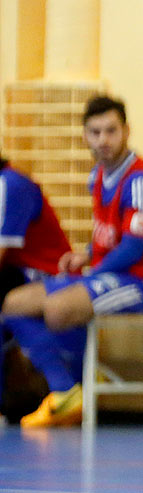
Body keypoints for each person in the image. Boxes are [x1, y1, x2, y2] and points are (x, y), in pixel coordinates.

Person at [1, 94, 143, 427]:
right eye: (95, 132)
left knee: (57, 308)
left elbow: (133, 248)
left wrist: (92, 273)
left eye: (111, 131)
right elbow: (110, 236)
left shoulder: (140, 180)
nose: (103, 140)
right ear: (85, 136)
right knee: (13, 303)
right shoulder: (97, 177)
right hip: (111, 274)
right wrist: (85, 254)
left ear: (127, 131)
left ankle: (73, 382)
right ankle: (67, 390)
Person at [0, 156, 75, 424]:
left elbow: (2, 253)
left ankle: (63, 388)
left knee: (6, 298)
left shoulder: (11, 184)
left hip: (48, 275)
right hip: (17, 273)